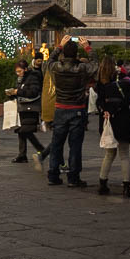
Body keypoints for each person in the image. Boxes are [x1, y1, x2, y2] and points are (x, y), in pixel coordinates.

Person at [46, 37, 97, 188]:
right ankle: (73, 177)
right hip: (77, 108)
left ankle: (53, 174)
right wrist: (87, 48)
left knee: (56, 144)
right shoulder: (81, 68)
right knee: (75, 145)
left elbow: (48, 61)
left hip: (60, 107)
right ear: (76, 54)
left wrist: (58, 47)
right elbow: (95, 65)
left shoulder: (56, 67)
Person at [95, 55, 130, 197]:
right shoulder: (122, 82)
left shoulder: (101, 85)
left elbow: (99, 102)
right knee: (124, 154)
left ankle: (102, 184)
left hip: (108, 122)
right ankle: (126, 187)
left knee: (109, 154)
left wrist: (106, 110)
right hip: (123, 120)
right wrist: (123, 103)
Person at [8, 59, 45, 164]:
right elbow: (20, 91)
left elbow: (33, 92)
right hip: (23, 107)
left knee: (25, 130)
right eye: (17, 72)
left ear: (25, 69)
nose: (18, 74)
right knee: (22, 131)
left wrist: (18, 91)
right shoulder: (21, 79)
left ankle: (41, 149)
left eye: (20, 71)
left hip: (30, 108)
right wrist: (13, 94)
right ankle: (22, 154)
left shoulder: (32, 77)